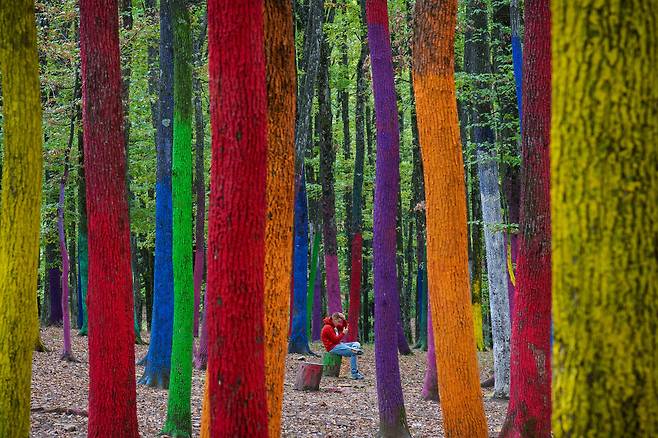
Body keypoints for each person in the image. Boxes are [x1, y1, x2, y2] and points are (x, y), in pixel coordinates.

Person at [320, 312, 364, 380]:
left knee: (356, 343)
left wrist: (343, 319)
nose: (338, 323)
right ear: (334, 319)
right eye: (338, 321)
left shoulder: (333, 325)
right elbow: (335, 340)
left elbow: (344, 327)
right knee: (353, 353)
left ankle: (353, 349)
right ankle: (355, 374)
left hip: (339, 345)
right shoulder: (328, 327)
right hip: (332, 347)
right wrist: (343, 333)